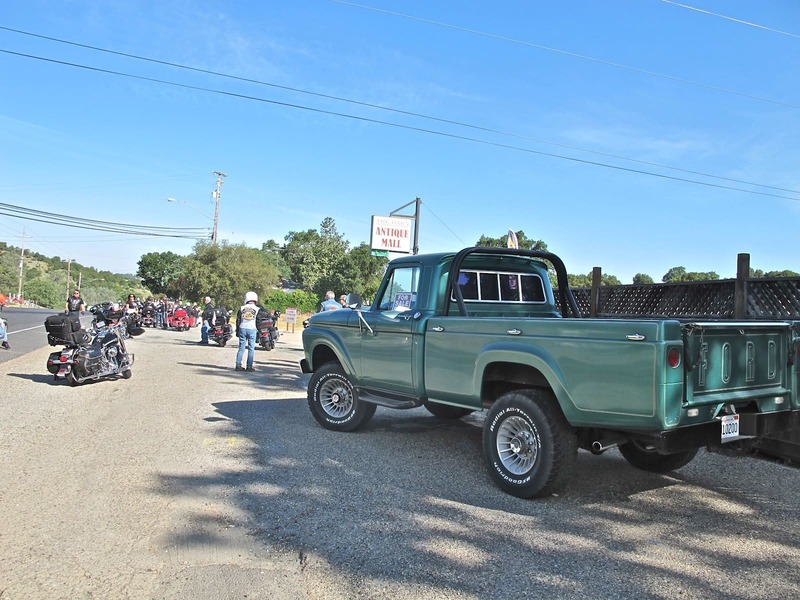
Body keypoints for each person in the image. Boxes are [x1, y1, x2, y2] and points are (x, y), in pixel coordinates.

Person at [235, 291, 259, 372]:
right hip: (252, 329)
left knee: (241, 348)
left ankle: (238, 365)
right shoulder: (257, 309)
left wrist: (237, 331)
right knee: (251, 348)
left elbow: (238, 320)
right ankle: (249, 366)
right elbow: (258, 321)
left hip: (242, 328)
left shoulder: (242, 308)